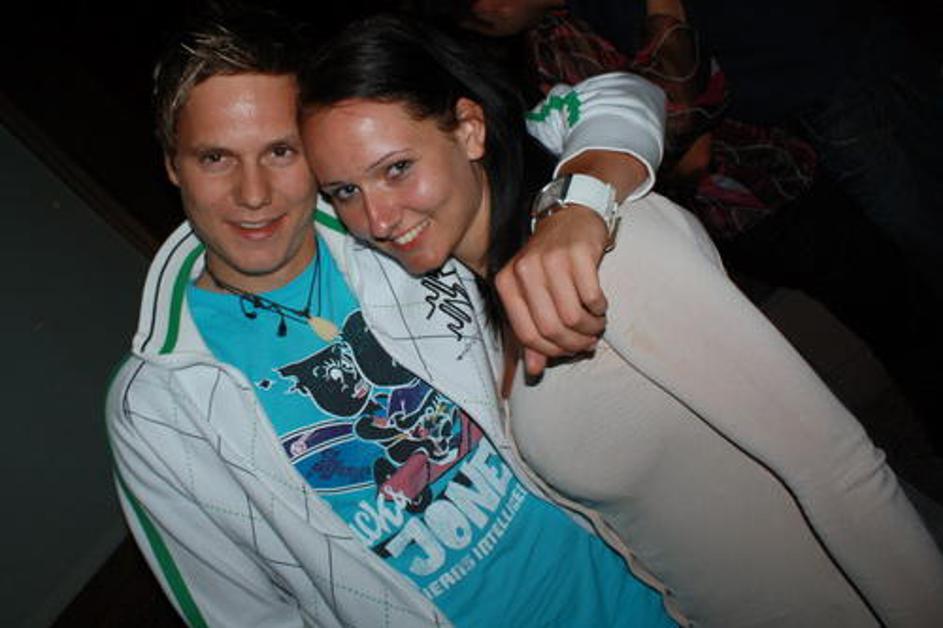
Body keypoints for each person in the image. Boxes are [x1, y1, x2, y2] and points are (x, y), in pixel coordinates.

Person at [298, 14, 943, 627]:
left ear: (469, 129)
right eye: (346, 192)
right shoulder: (476, 300)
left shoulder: (609, 252)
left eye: (397, 169)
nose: (377, 219)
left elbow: (842, 473)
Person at [107, 6, 685, 627]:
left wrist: (580, 207)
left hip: (651, 594)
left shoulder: (401, 219)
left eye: (280, 151)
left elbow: (620, 96)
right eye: (216, 158)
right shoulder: (157, 409)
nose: (254, 194)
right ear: (173, 165)